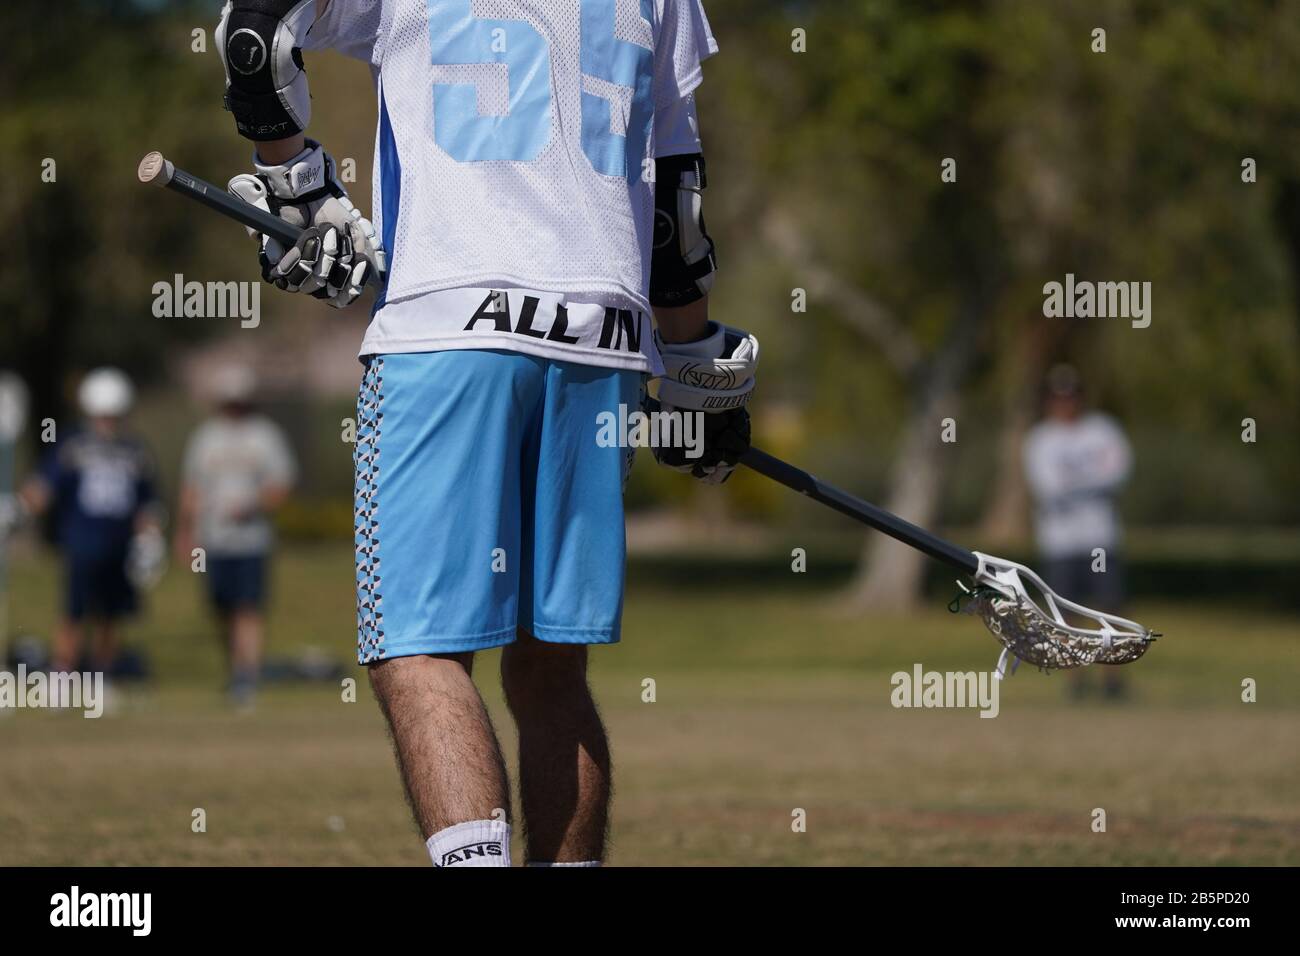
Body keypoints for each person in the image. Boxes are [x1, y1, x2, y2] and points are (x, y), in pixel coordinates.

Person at [214, 0, 754, 865]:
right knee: (551, 671)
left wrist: (300, 186)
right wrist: (695, 372)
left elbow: (254, 34)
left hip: (451, 326)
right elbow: (674, 199)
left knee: (420, 652)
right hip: (602, 341)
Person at [20, 367, 162, 677]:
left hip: (119, 547)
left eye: (113, 415)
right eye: (102, 415)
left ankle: (103, 678)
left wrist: (150, 539)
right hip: (83, 545)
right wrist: (19, 510)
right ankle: (61, 675)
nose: (107, 422)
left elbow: (147, 504)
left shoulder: (134, 450)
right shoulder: (73, 445)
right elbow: (43, 488)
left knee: (110, 617)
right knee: (73, 613)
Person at [176, 366, 297, 708]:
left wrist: (253, 506)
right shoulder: (205, 437)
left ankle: (248, 678)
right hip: (214, 540)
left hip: (252, 540)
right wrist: (185, 533)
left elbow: (281, 485)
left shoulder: (265, 436)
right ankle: (235, 671)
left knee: (249, 609)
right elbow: (191, 488)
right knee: (221, 609)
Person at [1022, 364, 1133, 699]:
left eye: (1070, 396)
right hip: (1060, 542)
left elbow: (1118, 471)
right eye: (1058, 397)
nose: (1064, 404)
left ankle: (1112, 681)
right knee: (1065, 614)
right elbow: (1049, 486)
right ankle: (1074, 683)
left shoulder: (1102, 429)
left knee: (1109, 608)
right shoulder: (1040, 439)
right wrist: (1091, 480)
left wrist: (1077, 482)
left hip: (1100, 537)